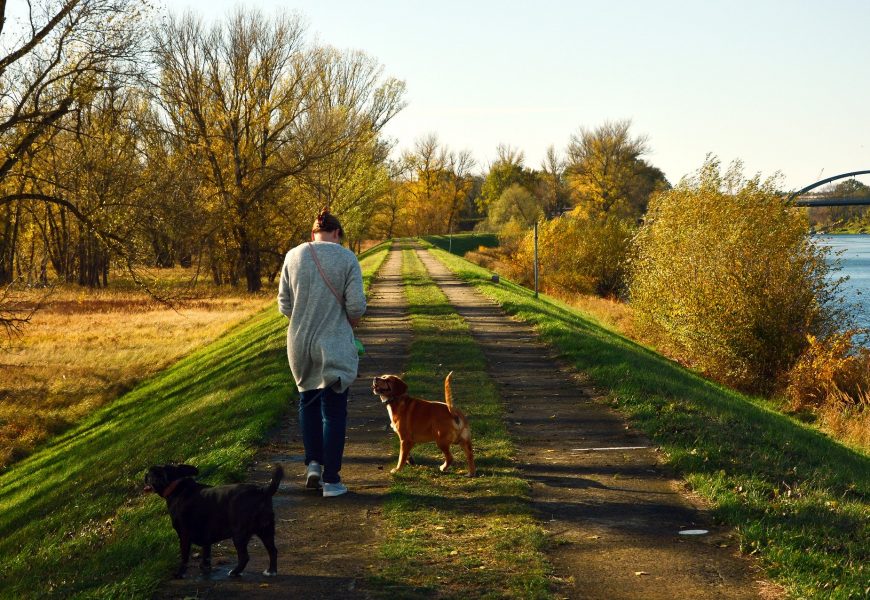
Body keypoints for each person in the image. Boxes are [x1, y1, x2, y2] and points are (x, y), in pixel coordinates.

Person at [277, 208, 366, 497]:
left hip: (300, 344)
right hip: (334, 344)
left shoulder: (293, 256)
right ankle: (332, 481)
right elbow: (355, 307)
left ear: (312, 234)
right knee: (334, 412)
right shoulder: (347, 258)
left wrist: (306, 317)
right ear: (338, 233)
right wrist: (346, 321)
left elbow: (284, 306)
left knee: (308, 403)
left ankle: (313, 464)